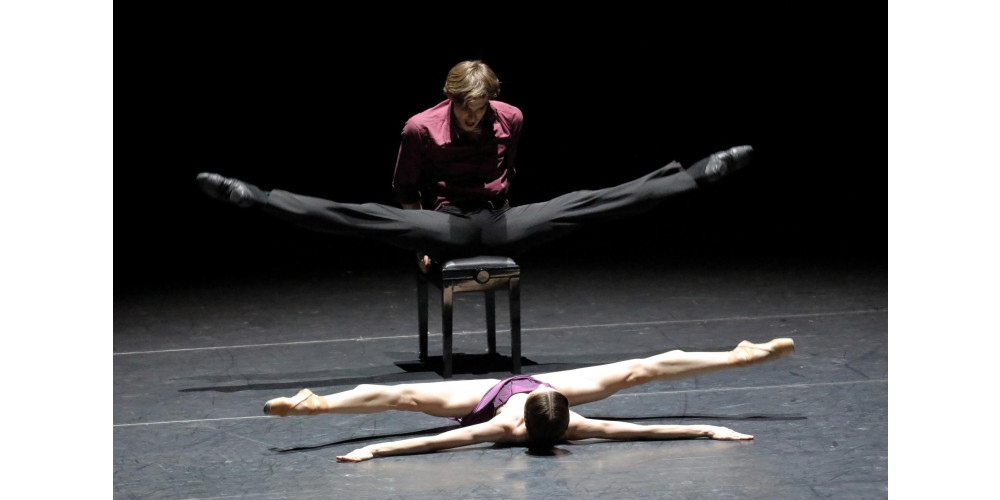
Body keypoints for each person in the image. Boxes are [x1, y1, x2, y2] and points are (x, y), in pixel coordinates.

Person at [195, 60, 754, 265]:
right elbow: (403, 188)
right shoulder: (420, 126)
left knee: (588, 203)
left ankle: (695, 176)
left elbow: (511, 170)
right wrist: (419, 239)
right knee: (363, 216)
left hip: (501, 219)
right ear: (451, 99)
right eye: (469, 106)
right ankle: (259, 198)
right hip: (445, 223)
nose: (478, 114)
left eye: (483, 105)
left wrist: (508, 210)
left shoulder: (511, 115)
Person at [259, 338, 794, 462]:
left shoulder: (503, 427)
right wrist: (709, 430)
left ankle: (322, 404)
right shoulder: (576, 423)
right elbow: (645, 431)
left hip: (483, 398)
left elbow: (441, 438)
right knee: (638, 370)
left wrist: (374, 452)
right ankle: (735, 355)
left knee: (402, 397)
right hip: (502, 396)